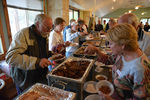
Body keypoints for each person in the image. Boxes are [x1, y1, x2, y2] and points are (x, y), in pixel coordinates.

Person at [85, 23, 150, 100]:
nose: (109, 46)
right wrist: (96, 50)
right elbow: (109, 60)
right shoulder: (125, 52)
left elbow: (140, 98)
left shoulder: (139, 69)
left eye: (111, 43)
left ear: (123, 45)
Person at [5, 14, 53, 94]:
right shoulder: (23, 34)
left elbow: (41, 52)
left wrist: (51, 54)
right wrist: (37, 62)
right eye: (47, 27)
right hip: (25, 79)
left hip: (39, 76)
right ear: (37, 24)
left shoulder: (44, 34)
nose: (49, 30)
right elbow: (11, 57)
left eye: (51, 28)